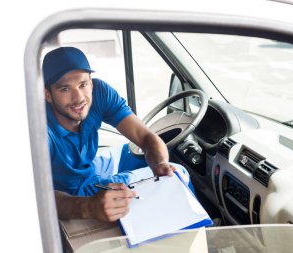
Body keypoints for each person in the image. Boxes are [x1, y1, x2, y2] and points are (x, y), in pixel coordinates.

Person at [43, 47, 189, 222]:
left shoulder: (100, 93)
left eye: (83, 84)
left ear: (91, 82)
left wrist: (160, 164)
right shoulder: (39, 129)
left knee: (137, 156)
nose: (78, 98)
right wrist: (89, 207)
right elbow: (37, 196)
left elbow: (144, 137)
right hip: (68, 196)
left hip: (91, 169)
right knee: (181, 173)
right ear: (47, 94)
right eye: (65, 89)